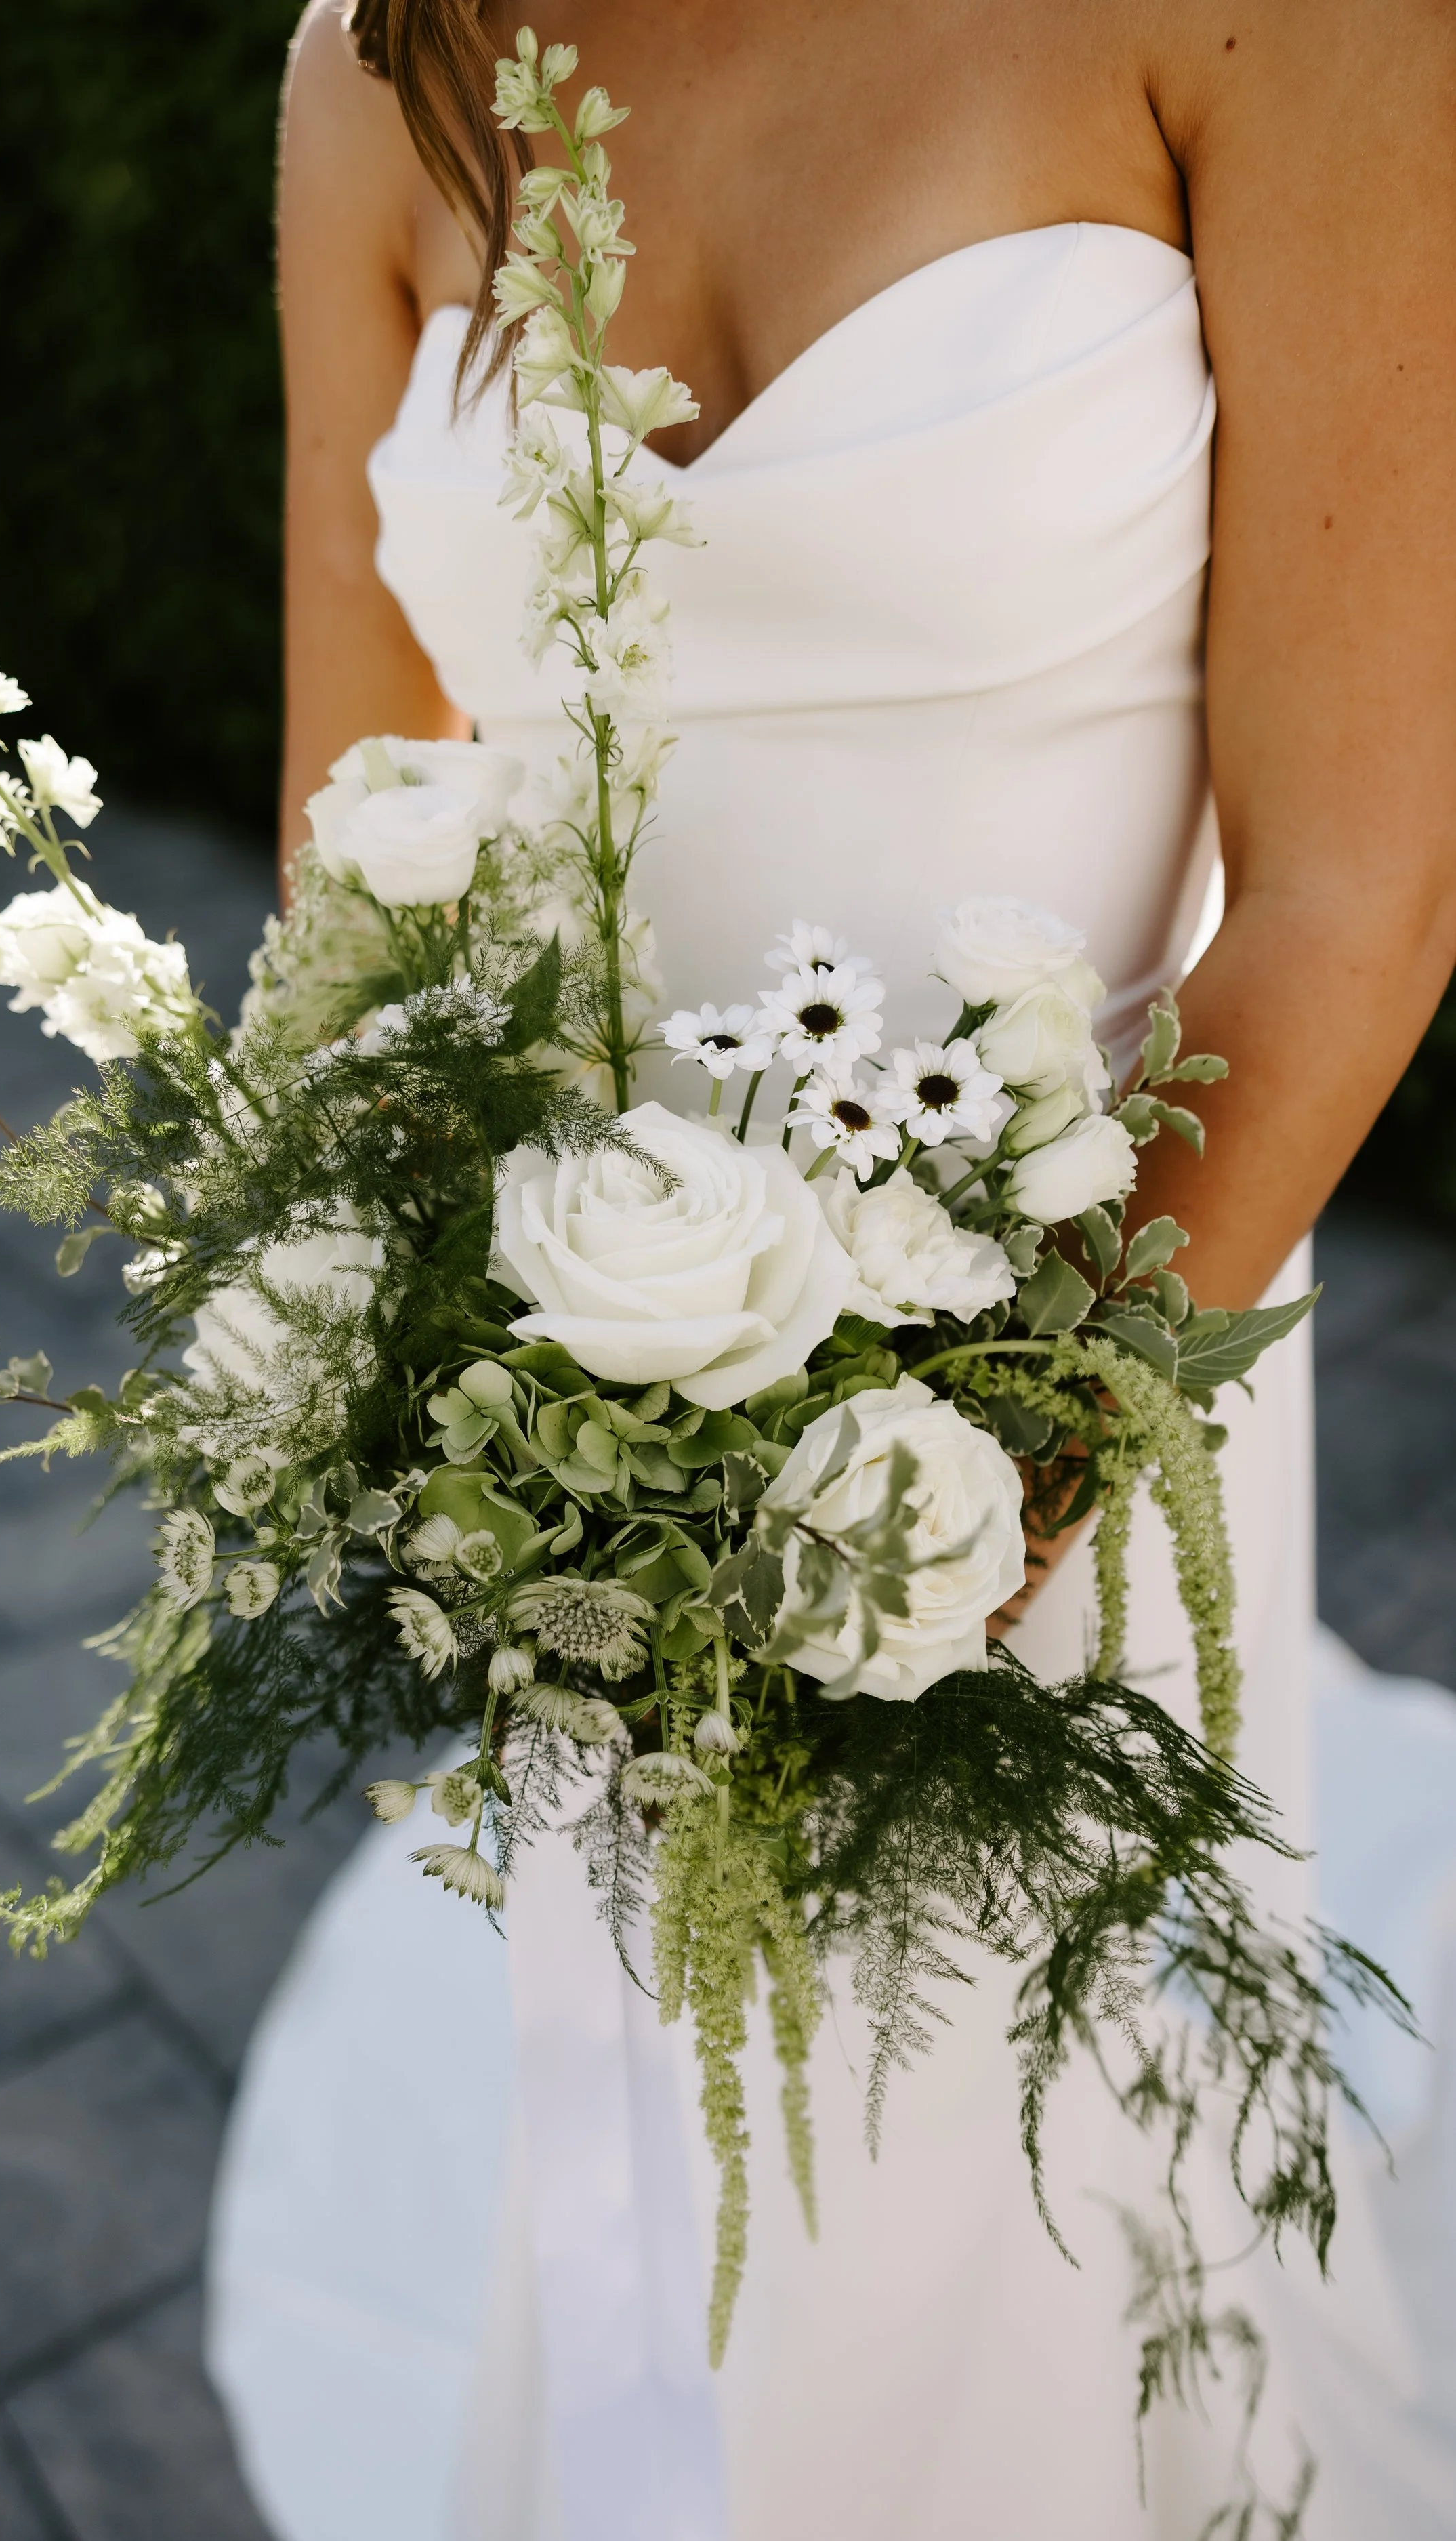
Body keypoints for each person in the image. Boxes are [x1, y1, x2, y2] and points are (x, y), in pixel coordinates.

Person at [207, 3, 1456, 2534]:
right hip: (584, 1395)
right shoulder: (377, 70)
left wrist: (969, 1498)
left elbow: (1352, 889)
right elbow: (360, 838)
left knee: (1027, 2139)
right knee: (687, 2154)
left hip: (1100, 1322)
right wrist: (380, 1335)